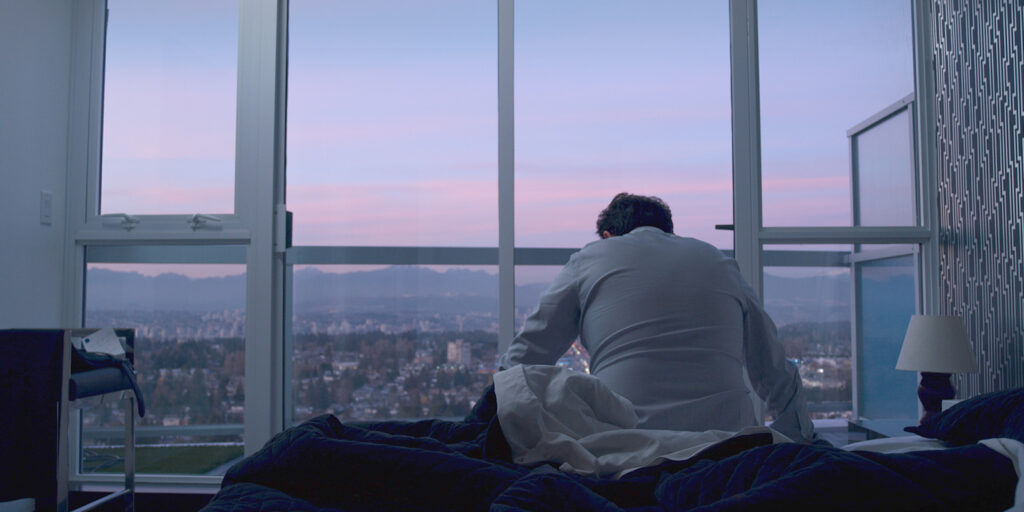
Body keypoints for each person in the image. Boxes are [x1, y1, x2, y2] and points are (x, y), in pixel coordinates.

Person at [498, 192, 815, 443]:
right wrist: (798, 443)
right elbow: (773, 368)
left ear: (609, 237)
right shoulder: (719, 262)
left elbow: (525, 359)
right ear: (670, 232)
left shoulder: (589, 259)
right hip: (728, 446)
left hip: (626, 445)